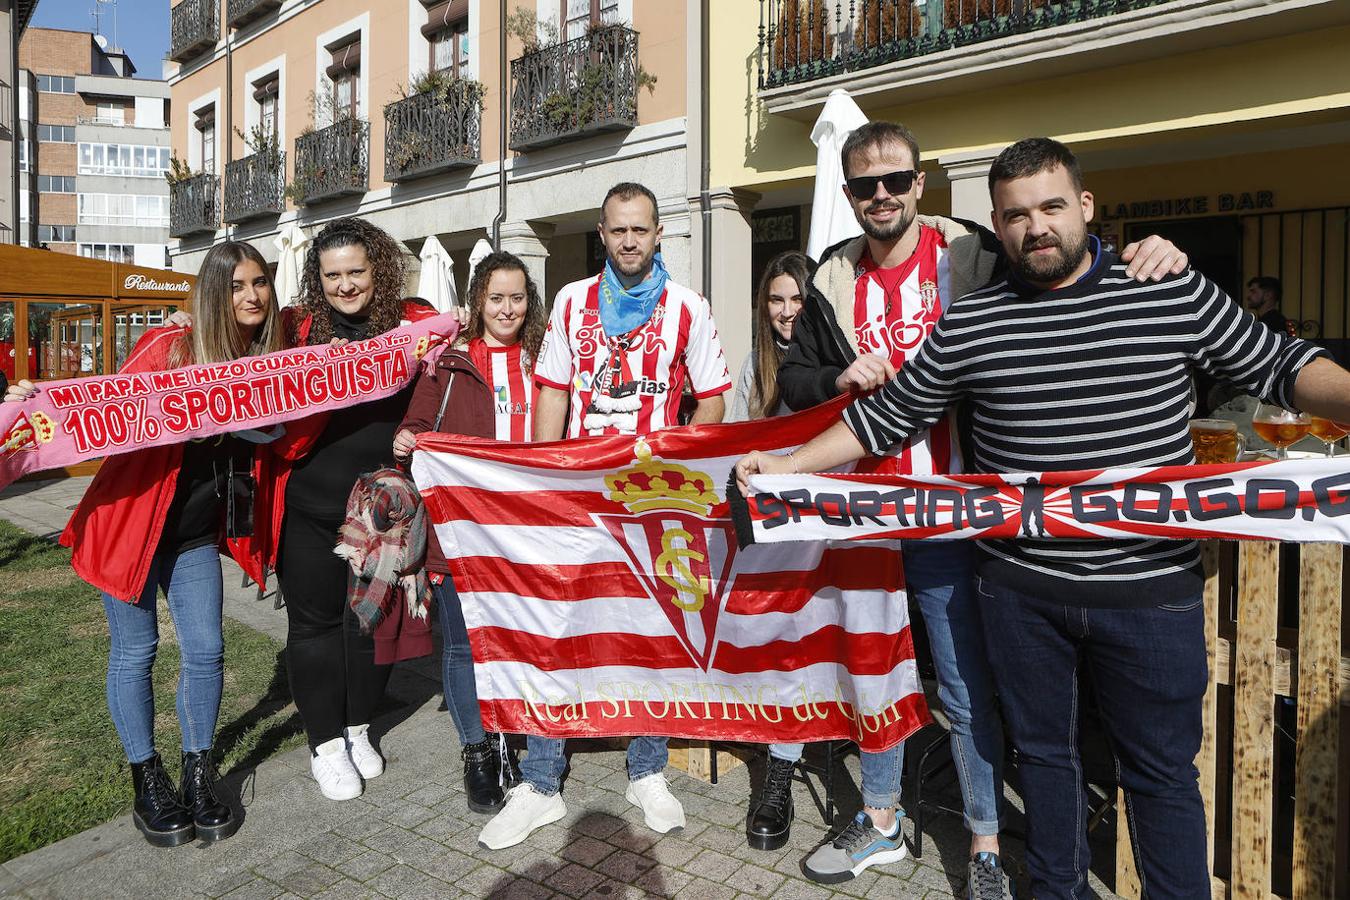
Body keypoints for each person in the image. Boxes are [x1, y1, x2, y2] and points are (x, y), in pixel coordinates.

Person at [735, 136, 1350, 900]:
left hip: (1150, 593)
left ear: (1085, 208)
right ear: (996, 225)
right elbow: (885, 417)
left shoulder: (1163, 287)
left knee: (1161, 780)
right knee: (1047, 767)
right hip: (1021, 591)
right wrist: (787, 469)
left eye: (1052, 207)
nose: (1037, 228)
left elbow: (1281, 366)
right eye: (1017, 215)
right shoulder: (973, 320)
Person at [771, 121, 1189, 893]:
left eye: (895, 179)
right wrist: (833, 380)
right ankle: (884, 817)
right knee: (875, 676)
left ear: (919, 182)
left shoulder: (976, 252)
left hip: (959, 516)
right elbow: (794, 376)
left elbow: (1064, 260)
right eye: (864, 185)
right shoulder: (831, 274)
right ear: (848, 194)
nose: (881, 195)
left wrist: (1151, 248)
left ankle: (986, 843)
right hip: (864, 517)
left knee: (965, 691)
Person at [477, 181, 732, 850]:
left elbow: (712, 401)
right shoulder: (570, 302)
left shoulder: (687, 307)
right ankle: (539, 781)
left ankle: (646, 770)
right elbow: (553, 393)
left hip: (651, 497)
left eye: (640, 230)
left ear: (657, 233)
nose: (628, 241)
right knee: (555, 633)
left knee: (648, 631)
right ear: (601, 231)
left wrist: (679, 467)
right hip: (577, 496)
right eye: (618, 230)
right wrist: (540, 482)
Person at [4, 241, 286, 847]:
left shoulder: (268, 360)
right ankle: (147, 778)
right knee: (137, 653)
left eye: (259, 282)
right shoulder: (168, 346)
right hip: (130, 529)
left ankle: (199, 770)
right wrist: (37, 405)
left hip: (192, 538)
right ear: (213, 292)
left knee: (207, 652)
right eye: (236, 285)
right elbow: (104, 406)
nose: (251, 296)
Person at [263, 217, 442, 801]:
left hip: (384, 514)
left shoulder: (415, 324)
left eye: (356, 272)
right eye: (332, 274)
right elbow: (227, 356)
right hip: (311, 506)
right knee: (314, 625)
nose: (345, 285)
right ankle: (325, 744)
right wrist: (186, 325)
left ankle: (359, 726)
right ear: (318, 278)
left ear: (379, 270)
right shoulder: (294, 330)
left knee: (373, 622)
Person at [392, 251, 546, 813]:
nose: (507, 308)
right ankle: (478, 751)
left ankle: (518, 737)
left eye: (517, 297)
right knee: (462, 647)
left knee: (520, 641)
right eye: (496, 297)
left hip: (529, 533)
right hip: (458, 534)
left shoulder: (548, 360)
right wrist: (409, 439)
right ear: (478, 301)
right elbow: (415, 422)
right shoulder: (447, 362)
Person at [726, 251, 811, 423]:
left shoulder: (833, 358)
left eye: (797, 299)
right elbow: (738, 434)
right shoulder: (755, 361)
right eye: (777, 300)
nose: (787, 312)